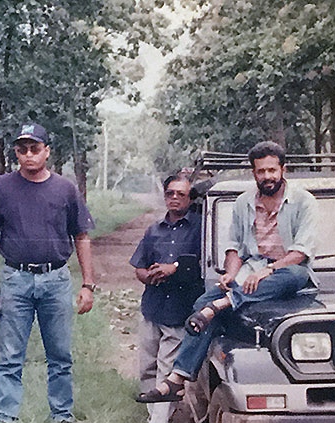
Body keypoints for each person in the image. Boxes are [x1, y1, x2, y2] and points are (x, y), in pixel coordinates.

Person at [137, 140, 319, 403]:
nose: (267, 176)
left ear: (283, 170)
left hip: (288, 276)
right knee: (202, 305)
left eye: (272, 170)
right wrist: (230, 275)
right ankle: (178, 378)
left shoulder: (304, 201)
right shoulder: (244, 202)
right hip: (250, 274)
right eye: (261, 171)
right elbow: (234, 248)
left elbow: (300, 253)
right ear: (253, 173)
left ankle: (224, 304)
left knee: (295, 274)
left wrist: (268, 271)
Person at [0, 123, 96, 423]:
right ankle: (5, 418)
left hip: (55, 280)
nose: (28, 155)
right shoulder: (1, 187)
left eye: (34, 149)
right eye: (22, 150)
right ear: (16, 152)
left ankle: (62, 417)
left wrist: (87, 284)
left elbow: (81, 237)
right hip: (16, 280)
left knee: (59, 354)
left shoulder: (65, 189)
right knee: (10, 355)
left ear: (47, 152)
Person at [129, 174, 204, 423]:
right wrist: (148, 275)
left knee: (167, 367)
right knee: (147, 366)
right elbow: (138, 265)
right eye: (170, 193)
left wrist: (173, 268)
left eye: (181, 194)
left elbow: (203, 264)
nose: (174, 198)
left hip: (181, 309)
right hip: (153, 306)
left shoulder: (202, 228)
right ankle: (157, 419)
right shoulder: (154, 230)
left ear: (190, 198)